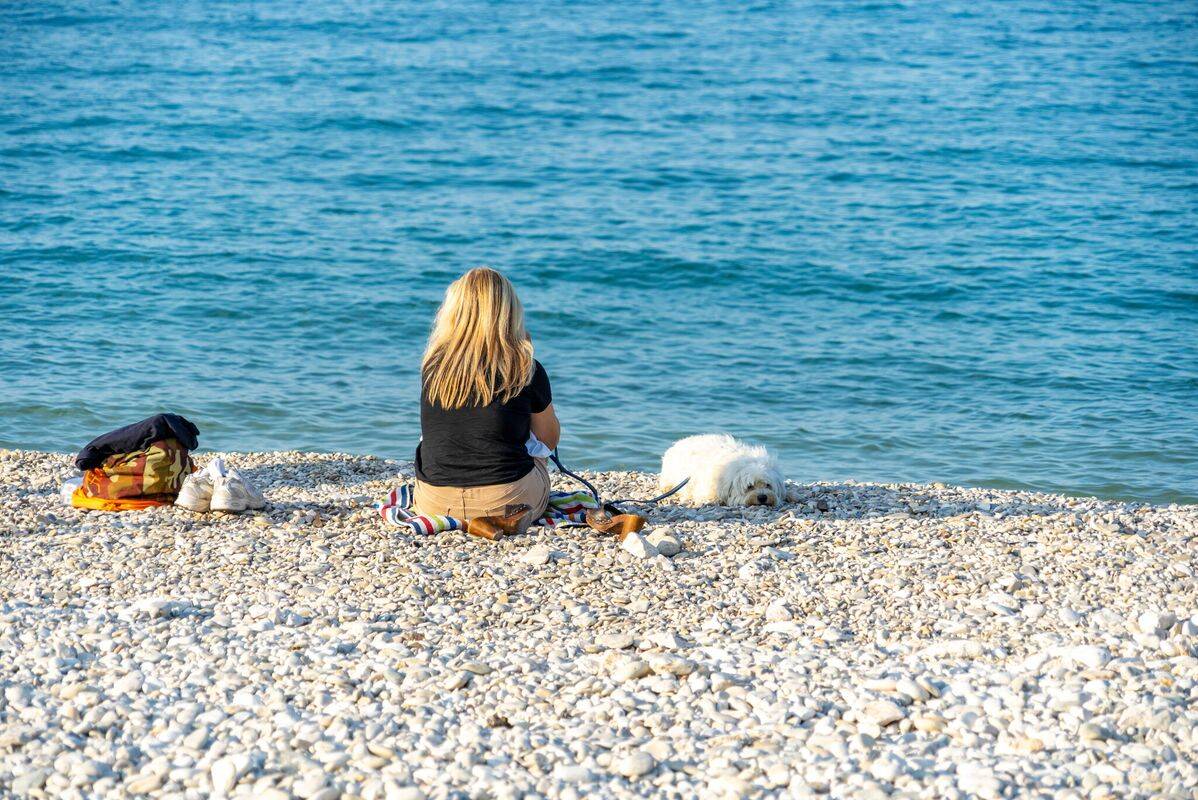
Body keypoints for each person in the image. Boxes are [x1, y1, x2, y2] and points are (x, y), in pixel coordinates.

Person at [413, 267, 561, 532]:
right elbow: (548, 440)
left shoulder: (433, 365)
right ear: (509, 312)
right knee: (537, 457)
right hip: (507, 500)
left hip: (434, 501)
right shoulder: (526, 367)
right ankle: (495, 515)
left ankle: (462, 514)